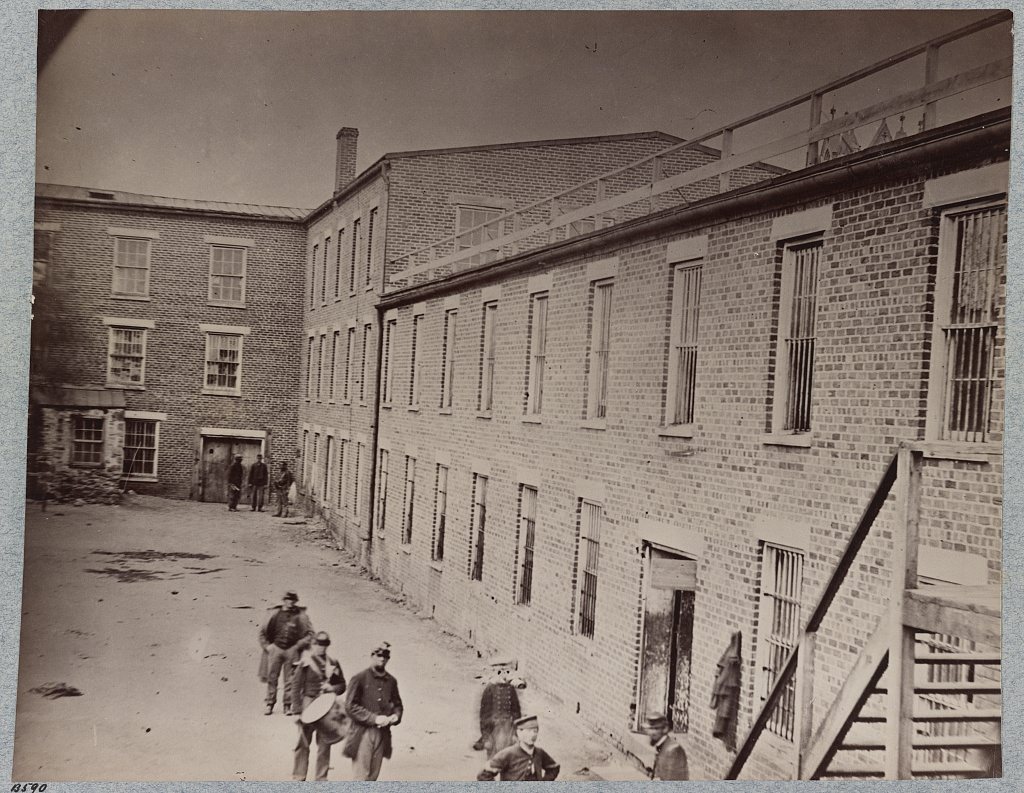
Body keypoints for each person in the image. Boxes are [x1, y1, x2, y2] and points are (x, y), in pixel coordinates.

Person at [342, 642, 403, 780]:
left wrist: (395, 716)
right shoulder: (360, 678)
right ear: (372, 656)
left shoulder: (391, 681)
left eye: (386, 656)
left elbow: (398, 705)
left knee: (373, 775)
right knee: (361, 776)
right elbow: (350, 706)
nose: (382, 659)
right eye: (379, 655)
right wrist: (373, 718)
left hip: (383, 733)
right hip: (363, 732)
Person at [292, 631, 347, 781]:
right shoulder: (306, 662)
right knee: (303, 742)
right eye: (318, 644)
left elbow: (342, 685)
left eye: (324, 645)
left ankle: (321, 779)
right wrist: (297, 711)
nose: (321, 648)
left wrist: (333, 688)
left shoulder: (333, 663)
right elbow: (296, 687)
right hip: (308, 705)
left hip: (326, 707)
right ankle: (299, 776)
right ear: (313, 644)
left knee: (325, 744)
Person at [258, 591, 314, 715]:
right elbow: (262, 632)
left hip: (292, 650)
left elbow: (310, 634)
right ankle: (269, 704)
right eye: (288, 600)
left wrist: (299, 645)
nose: (291, 603)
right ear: (284, 600)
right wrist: (268, 646)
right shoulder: (274, 614)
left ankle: (287, 705)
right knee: (272, 677)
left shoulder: (301, 616)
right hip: (276, 649)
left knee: (290, 679)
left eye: (293, 601)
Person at [477, 715, 559, 781]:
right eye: (528, 731)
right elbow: (483, 775)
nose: (532, 735)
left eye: (535, 731)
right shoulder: (508, 753)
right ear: (519, 733)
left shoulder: (539, 752)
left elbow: (553, 768)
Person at [474, 657, 523, 757]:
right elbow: (484, 715)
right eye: (501, 672)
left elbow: (516, 711)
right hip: (494, 729)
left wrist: (516, 733)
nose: (504, 675)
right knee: (494, 760)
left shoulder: (510, 689)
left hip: (508, 729)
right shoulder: (490, 689)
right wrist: (486, 736)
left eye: (507, 672)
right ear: (496, 672)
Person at [642, 713, 689, 780]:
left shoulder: (673, 750)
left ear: (665, 729)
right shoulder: (662, 747)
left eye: (655, 729)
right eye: (649, 729)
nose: (650, 733)